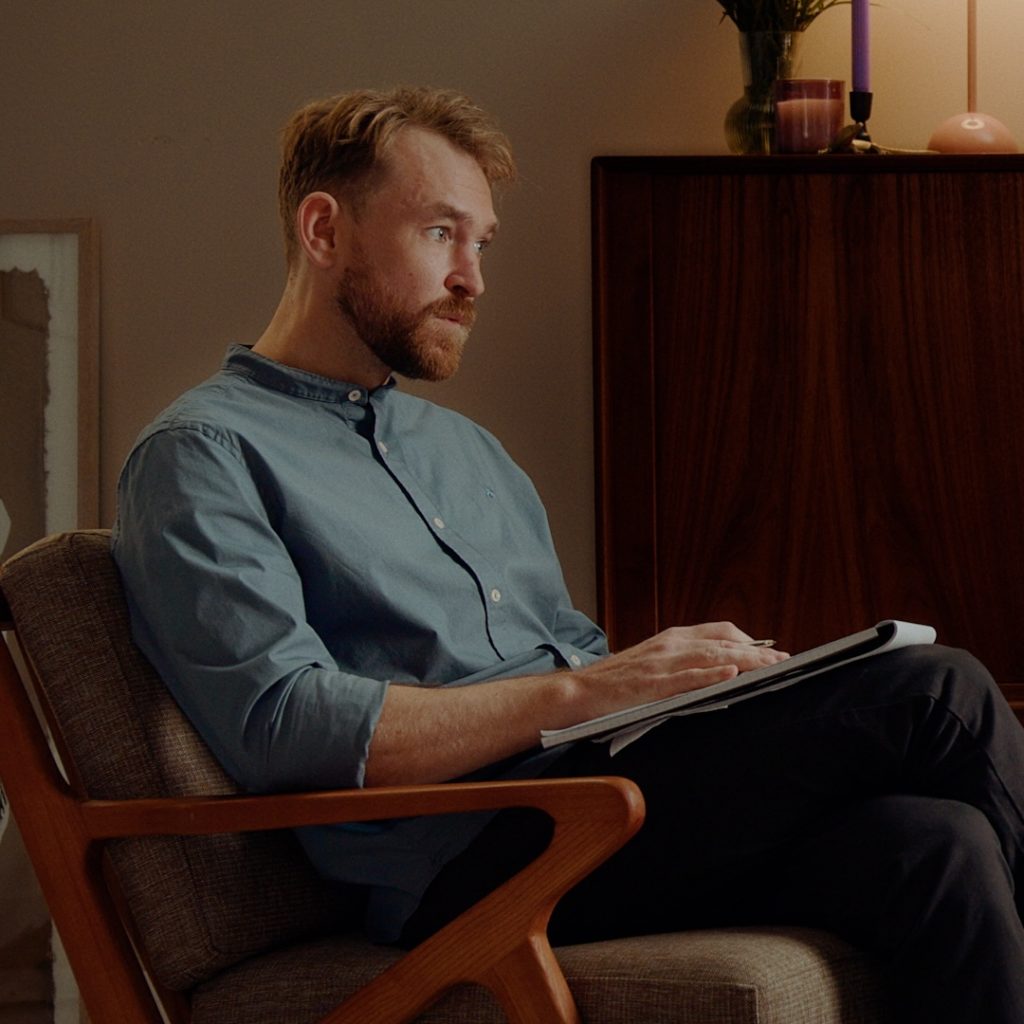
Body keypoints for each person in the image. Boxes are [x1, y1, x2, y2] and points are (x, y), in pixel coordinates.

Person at [112, 86, 1024, 1022]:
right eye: (440, 233)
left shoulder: (469, 452)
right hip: (473, 854)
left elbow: (575, 656)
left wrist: (689, 689)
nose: (472, 278)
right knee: (935, 691)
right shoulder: (203, 455)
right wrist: (592, 690)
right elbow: (280, 724)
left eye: (482, 244)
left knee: (937, 845)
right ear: (323, 231)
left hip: (603, 793)